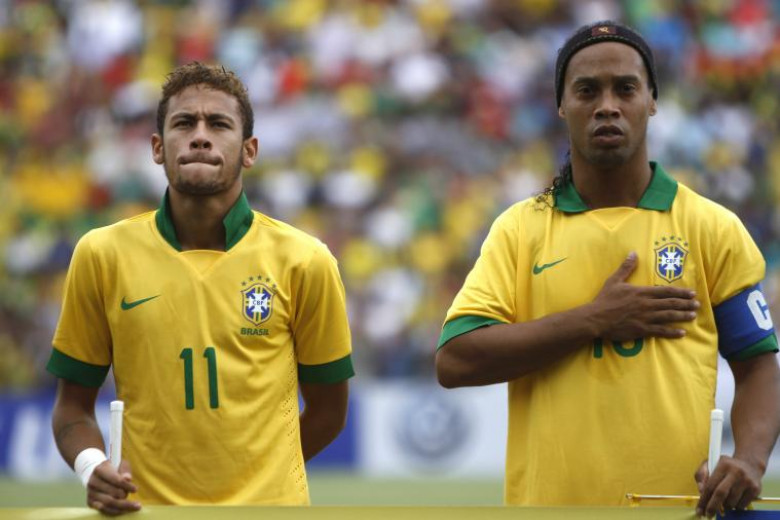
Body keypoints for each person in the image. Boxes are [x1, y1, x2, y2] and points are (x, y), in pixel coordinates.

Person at [435, 21, 780, 517]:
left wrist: (749, 459)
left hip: (678, 510)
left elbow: (760, 368)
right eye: (587, 91)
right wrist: (593, 319)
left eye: (625, 88)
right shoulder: (520, 229)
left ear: (652, 101)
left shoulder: (711, 227)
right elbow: (454, 361)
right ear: (561, 105)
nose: (607, 106)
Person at [47, 62, 354, 514]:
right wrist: (92, 467)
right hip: (145, 513)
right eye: (184, 123)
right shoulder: (101, 254)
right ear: (158, 147)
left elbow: (329, 412)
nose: (200, 136)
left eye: (219, 124)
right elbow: (72, 408)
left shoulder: (306, 260)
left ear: (249, 151)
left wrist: (262, 477)